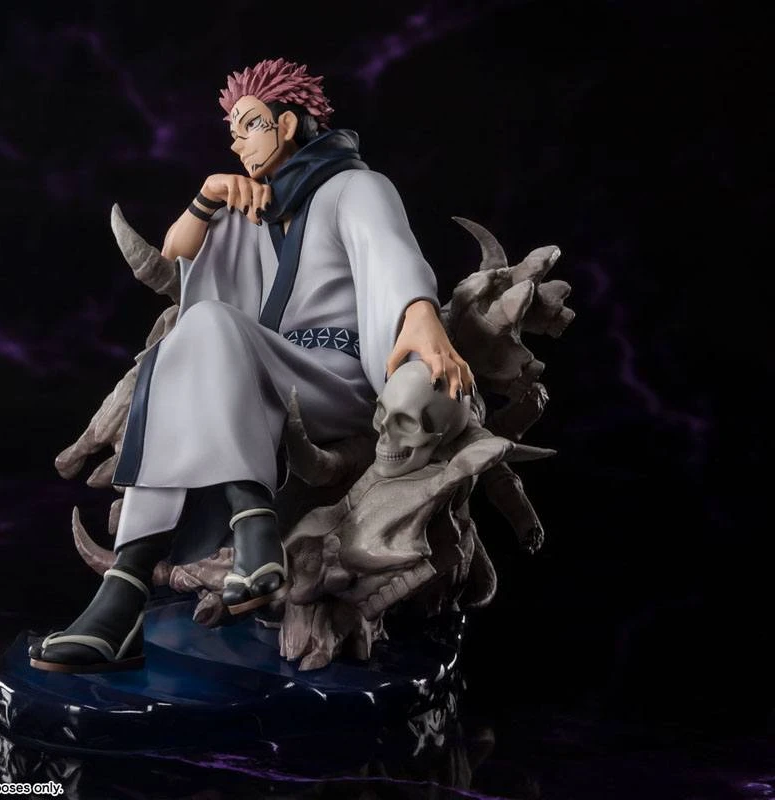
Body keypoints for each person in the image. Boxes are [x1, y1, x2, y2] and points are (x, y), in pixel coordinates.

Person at [30, 58, 473, 673]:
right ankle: (146, 583)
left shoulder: (356, 187)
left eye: (249, 126)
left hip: (336, 379)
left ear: (285, 125)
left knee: (205, 327)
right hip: (257, 374)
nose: (237, 143)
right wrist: (206, 198)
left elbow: (391, 252)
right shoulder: (256, 207)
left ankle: (185, 563)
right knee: (181, 346)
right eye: (232, 132)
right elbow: (175, 256)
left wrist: (421, 315)